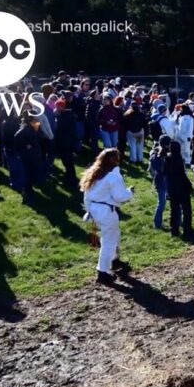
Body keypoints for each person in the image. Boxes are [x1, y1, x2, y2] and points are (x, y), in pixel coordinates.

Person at [80, 148, 134, 284]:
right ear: (113, 160)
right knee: (109, 240)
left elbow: (86, 196)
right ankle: (102, 272)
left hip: (95, 210)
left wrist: (90, 211)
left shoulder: (94, 174)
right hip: (106, 212)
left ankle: (115, 260)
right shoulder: (112, 177)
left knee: (113, 235)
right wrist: (130, 192)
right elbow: (120, 196)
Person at [165, 141, 193, 239]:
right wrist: (189, 185)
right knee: (187, 210)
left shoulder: (167, 159)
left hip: (172, 188)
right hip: (182, 188)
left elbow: (164, 171)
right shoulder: (179, 159)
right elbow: (182, 175)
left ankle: (174, 230)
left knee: (174, 210)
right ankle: (187, 230)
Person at [14, 112, 43, 205]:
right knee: (27, 175)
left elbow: (39, 134)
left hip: (32, 154)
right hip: (27, 155)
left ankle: (28, 193)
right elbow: (17, 136)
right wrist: (25, 146)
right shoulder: (26, 128)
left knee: (30, 175)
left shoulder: (33, 125)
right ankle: (26, 195)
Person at [53, 99, 79, 189]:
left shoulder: (64, 116)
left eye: (57, 106)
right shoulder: (68, 114)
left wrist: (57, 118)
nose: (55, 108)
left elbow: (62, 129)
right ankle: (71, 178)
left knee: (68, 163)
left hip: (65, 143)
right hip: (68, 142)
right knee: (68, 163)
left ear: (61, 107)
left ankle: (70, 180)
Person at [148, 135, 170, 229]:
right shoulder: (162, 156)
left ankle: (159, 223)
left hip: (162, 180)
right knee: (165, 203)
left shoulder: (155, 155)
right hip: (165, 181)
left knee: (163, 203)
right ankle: (158, 223)